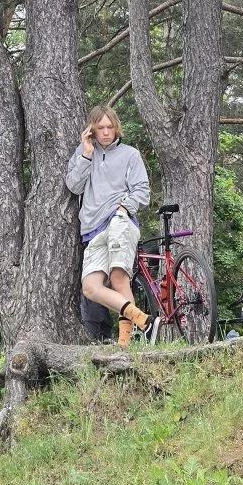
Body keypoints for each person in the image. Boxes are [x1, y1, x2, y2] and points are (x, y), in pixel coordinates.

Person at [65, 105, 158, 348]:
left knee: (119, 279)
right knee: (90, 288)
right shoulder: (84, 153)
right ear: (91, 130)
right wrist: (86, 155)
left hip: (119, 221)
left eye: (110, 127)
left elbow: (142, 191)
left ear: (116, 128)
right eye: (100, 128)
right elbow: (73, 186)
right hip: (92, 229)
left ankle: (126, 344)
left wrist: (124, 208)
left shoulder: (130, 154)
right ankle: (144, 321)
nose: (106, 132)